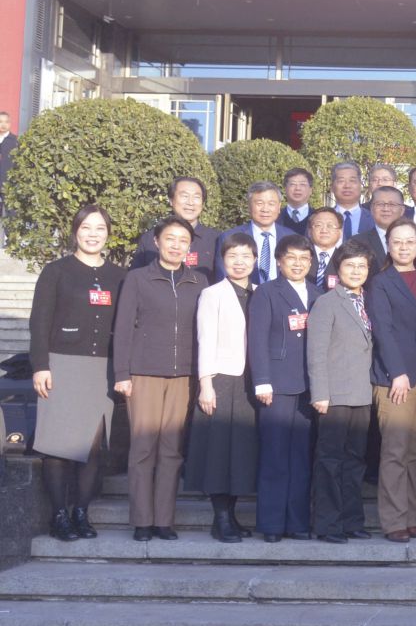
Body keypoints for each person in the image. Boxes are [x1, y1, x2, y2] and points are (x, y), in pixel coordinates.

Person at [29, 205, 125, 542]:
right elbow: (39, 322)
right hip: (62, 364)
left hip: (102, 369)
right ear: (75, 231)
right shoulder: (56, 271)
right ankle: (59, 515)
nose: (93, 234)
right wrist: (40, 365)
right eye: (86, 227)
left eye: (100, 228)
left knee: (93, 446)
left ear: (108, 234)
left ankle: (81, 512)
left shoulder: (119, 276)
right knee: (57, 445)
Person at [113, 215, 209, 541]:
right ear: (156, 242)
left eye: (183, 240)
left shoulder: (199, 282)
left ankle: (164, 520)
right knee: (143, 448)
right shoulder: (138, 279)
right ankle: (142, 520)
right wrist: (122, 373)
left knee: (172, 450)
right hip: (144, 373)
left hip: (184, 375)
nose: (176, 246)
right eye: (170, 239)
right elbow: (123, 329)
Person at [186, 232, 260, 543]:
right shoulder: (212, 294)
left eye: (245, 256)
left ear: (255, 260)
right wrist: (206, 384)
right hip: (221, 378)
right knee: (218, 451)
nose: (239, 262)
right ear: (222, 260)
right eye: (232, 257)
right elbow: (205, 339)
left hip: (251, 381)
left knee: (240, 451)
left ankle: (232, 514)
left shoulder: (260, 292)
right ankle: (220, 518)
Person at [248, 234, 319, 542]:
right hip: (276, 384)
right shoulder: (267, 293)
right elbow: (257, 339)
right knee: (275, 456)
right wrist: (262, 380)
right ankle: (272, 524)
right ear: (279, 261)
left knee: (301, 457)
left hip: (308, 385)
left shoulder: (318, 293)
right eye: (291, 258)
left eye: (304, 258)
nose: (298, 264)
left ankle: (297, 521)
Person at [367, 220, 416, 542]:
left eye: (409, 241)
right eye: (397, 242)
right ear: (388, 246)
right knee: (395, 449)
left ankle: (410, 515)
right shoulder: (380, 283)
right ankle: (393, 520)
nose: (404, 247)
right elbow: (383, 329)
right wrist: (397, 373)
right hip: (396, 376)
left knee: (414, 450)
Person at [307, 239, 375, 543]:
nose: (356, 271)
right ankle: (328, 524)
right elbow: (316, 351)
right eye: (350, 265)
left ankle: (351, 521)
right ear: (338, 268)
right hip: (334, 395)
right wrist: (320, 393)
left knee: (355, 461)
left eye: (362, 266)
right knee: (330, 461)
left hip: (361, 393)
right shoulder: (327, 302)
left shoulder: (369, 300)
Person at [131, 177, 220, 281]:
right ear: (171, 200)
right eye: (184, 196)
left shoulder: (215, 239)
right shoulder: (150, 238)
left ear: (202, 203)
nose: (190, 202)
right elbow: (135, 279)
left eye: (196, 197)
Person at [218, 181, 294, 284]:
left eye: (271, 204)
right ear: (249, 206)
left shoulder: (291, 237)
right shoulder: (229, 237)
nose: (265, 209)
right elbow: (222, 276)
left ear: (279, 207)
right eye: (259, 203)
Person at [364, 185, 407, 266]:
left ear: (402, 210)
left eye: (392, 204)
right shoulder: (358, 242)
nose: (386, 209)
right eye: (380, 204)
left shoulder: (413, 241)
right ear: (371, 209)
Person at [330, 162, 373, 236]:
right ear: (332, 187)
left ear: (360, 185)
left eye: (352, 181)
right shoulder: (320, 219)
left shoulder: (375, 219)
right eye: (341, 181)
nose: (347, 186)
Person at [306, 207, 343, 289]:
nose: (324, 230)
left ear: (340, 232)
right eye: (318, 225)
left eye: (330, 226)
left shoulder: (344, 259)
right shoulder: (301, 257)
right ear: (309, 231)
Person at [279, 168, 315, 235]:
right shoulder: (276, 217)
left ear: (311, 190)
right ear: (285, 189)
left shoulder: (317, 216)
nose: (297, 188)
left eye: (302, 184)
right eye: (293, 184)